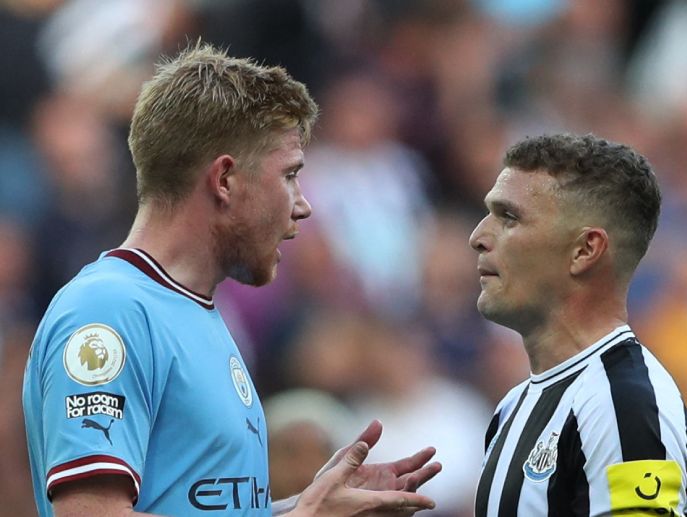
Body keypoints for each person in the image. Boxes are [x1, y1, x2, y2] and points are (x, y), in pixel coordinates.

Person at [22, 44, 441, 517]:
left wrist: (311, 506)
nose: (303, 205)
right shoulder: (109, 310)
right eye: (290, 176)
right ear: (224, 179)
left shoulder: (196, 313)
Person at [469, 133, 687, 516]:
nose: (478, 237)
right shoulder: (513, 407)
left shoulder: (625, 407)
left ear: (585, 250)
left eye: (509, 217)